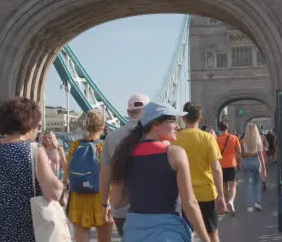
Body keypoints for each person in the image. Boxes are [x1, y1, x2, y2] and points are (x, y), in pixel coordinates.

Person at [109, 101, 210, 242]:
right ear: (155, 124)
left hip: (134, 233)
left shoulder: (124, 154)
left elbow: (116, 202)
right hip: (167, 232)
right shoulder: (175, 154)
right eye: (173, 121)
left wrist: (141, 188)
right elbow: (190, 203)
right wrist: (206, 238)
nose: (177, 126)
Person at [0, 97, 64, 241]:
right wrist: (62, 186)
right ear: (30, 124)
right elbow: (53, 192)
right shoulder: (34, 151)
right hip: (28, 231)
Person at [172, 102, 226, 242]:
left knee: (184, 234)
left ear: (183, 118)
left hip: (182, 195)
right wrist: (221, 196)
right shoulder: (208, 138)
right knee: (212, 232)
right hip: (206, 194)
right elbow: (216, 169)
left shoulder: (174, 139)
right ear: (200, 119)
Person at [99, 94, 150, 237]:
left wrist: (104, 203)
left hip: (121, 209)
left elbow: (104, 175)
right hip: (151, 206)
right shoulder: (155, 135)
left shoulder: (112, 136)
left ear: (128, 112)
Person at [65, 110, 113, 241]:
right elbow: (109, 175)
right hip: (102, 196)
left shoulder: (74, 146)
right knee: (104, 234)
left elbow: (67, 173)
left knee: (81, 234)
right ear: (102, 127)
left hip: (79, 197)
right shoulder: (103, 147)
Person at [216, 121, 241, 216]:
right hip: (232, 164)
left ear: (219, 128)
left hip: (221, 166)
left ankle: (225, 206)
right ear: (228, 127)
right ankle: (231, 201)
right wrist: (239, 162)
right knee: (233, 185)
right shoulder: (234, 138)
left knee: (224, 187)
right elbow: (239, 151)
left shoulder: (216, 139)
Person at [241, 123, 267, 212]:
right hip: (256, 161)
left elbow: (242, 154)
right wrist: (264, 169)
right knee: (256, 183)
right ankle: (257, 203)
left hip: (247, 161)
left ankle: (250, 206)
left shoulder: (243, 140)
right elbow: (261, 156)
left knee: (248, 184)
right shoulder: (258, 140)